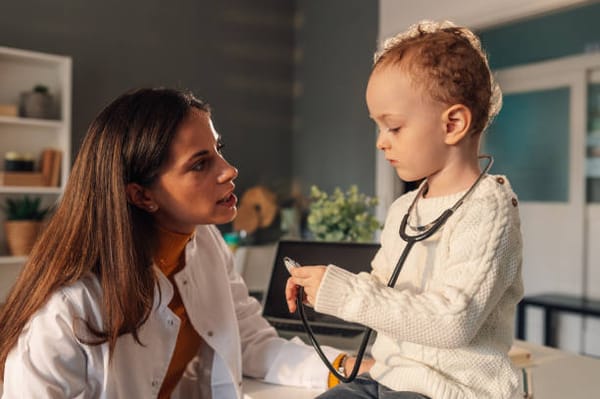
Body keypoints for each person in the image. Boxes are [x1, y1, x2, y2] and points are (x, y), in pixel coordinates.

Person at [0, 87, 370, 398]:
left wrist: (353, 368)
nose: (229, 170)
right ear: (142, 196)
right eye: (199, 164)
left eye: (218, 150)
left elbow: (250, 343)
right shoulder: (68, 309)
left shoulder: (205, 243)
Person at [286, 20, 524, 399]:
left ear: (454, 124)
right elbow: (383, 286)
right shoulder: (404, 209)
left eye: (393, 128)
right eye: (378, 128)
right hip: (388, 377)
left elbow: (454, 323)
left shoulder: (488, 210)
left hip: (451, 389)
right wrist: (324, 286)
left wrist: (345, 293)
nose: (381, 143)